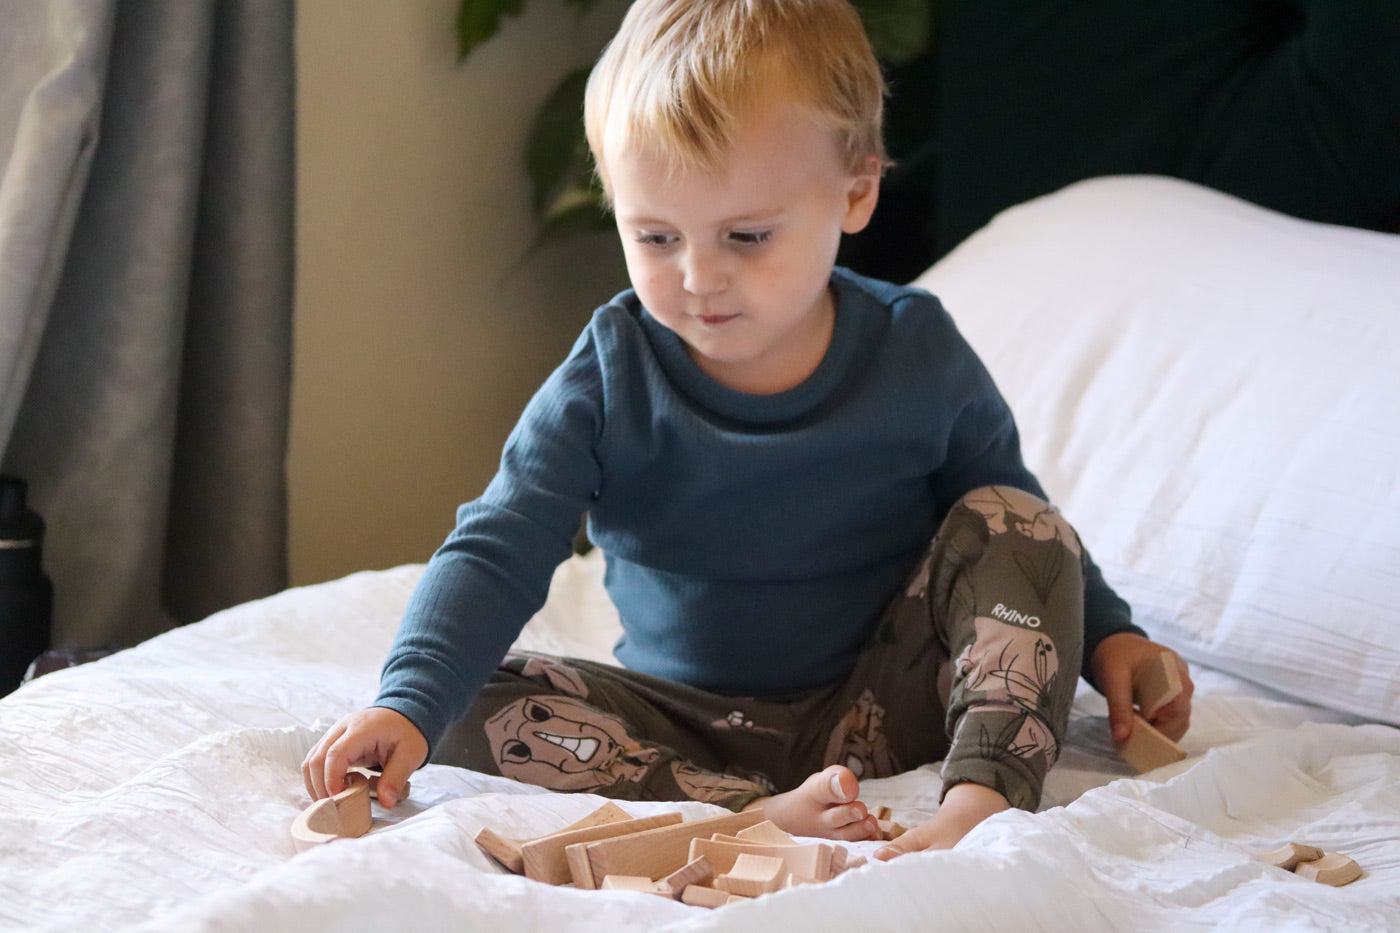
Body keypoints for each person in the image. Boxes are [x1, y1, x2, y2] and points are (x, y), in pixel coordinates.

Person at [303, 0, 1193, 858]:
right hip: (683, 722)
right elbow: (498, 544)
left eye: (747, 236)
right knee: (462, 702)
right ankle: (760, 811)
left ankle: (978, 800)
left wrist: (1113, 636)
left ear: (855, 194)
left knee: (1012, 516)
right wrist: (406, 703)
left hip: (889, 703)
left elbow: (1021, 534)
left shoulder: (914, 349)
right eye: (654, 237)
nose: (698, 277)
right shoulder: (612, 370)